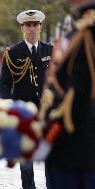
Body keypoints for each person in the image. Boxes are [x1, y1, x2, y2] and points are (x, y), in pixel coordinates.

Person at [39, 0, 95, 188]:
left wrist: (46, 137)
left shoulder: (85, 32)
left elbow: (76, 95)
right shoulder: (81, 29)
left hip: (75, 147)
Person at [0, 10, 53, 189]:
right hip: (23, 110)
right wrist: (9, 107)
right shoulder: (12, 53)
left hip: (48, 110)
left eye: (35, 25)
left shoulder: (50, 50)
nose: (32, 29)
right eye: (28, 25)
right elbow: (5, 84)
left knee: (51, 151)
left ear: (40, 27)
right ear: (22, 28)